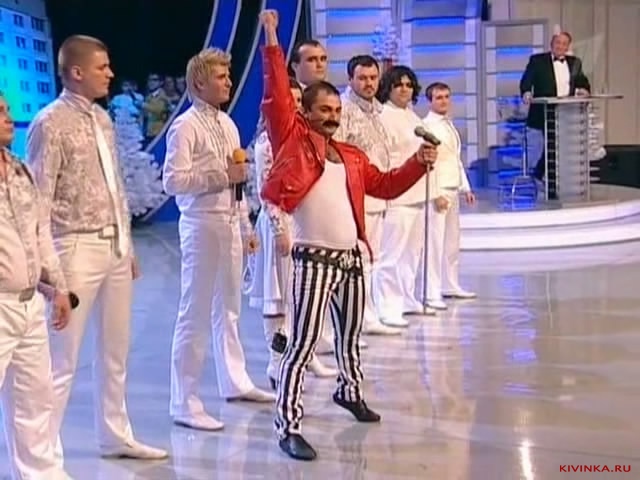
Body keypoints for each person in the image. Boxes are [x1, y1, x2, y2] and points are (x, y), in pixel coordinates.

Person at [259, 9, 437, 461]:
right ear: (305, 113)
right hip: (313, 259)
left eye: (336, 111)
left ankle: (349, 390)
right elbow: (277, 94)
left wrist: (418, 163)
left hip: (351, 259)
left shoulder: (351, 155)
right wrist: (272, 37)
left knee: (350, 335)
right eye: (324, 110)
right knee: (302, 344)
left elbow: (387, 185)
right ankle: (288, 425)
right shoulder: (294, 142)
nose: (332, 117)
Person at [26, 34, 168, 462]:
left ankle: (115, 434)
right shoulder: (49, 123)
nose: (110, 73)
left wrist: (127, 244)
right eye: (102, 67)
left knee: (115, 351)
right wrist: (52, 274)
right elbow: (38, 202)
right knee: (61, 360)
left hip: (114, 248)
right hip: (73, 248)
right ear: (76, 72)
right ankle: (39, 456)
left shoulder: (103, 120)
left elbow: (115, 185)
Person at [163, 47, 274, 432]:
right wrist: (220, 176)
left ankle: (235, 381)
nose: (229, 81)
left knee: (229, 308)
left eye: (228, 75)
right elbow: (172, 181)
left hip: (229, 223)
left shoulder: (227, 124)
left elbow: (238, 181)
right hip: (200, 224)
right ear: (199, 83)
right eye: (221, 76)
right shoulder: (185, 126)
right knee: (194, 312)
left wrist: (245, 226)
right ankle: (184, 401)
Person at [245, 77, 337, 388]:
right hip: (280, 224)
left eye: (299, 102)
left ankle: (305, 354)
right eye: (290, 102)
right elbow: (267, 191)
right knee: (279, 294)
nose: (295, 107)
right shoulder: (266, 144)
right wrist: (278, 229)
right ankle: (277, 362)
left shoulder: (305, 139)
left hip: (303, 222)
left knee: (303, 293)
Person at [0, 94, 73, 480]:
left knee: (35, 400)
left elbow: (40, 232)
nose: (9, 118)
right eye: (0, 113)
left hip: (29, 306)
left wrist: (57, 287)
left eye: (7, 111)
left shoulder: (20, 170)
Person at [332, 55, 410, 333]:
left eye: (373, 78)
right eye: (362, 78)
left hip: (378, 196)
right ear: (350, 79)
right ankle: (359, 320)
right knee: (358, 260)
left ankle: (368, 315)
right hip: (356, 197)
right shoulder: (344, 110)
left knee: (370, 259)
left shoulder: (376, 110)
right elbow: (336, 152)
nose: (368, 83)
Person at [375, 65, 434, 320]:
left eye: (409, 85)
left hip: (418, 193)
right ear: (388, 87)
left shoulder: (413, 117)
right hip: (397, 193)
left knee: (412, 253)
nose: (404, 89)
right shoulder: (383, 115)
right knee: (392, 253)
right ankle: (388, 306)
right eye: (399, 85)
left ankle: (407, 298)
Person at [422, 82, 477, 309]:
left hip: (452, 187)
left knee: (451, 242)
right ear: (430, 101)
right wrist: (435, 194)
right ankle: (431, 292)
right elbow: (428, 165)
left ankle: (450, 284)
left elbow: (455, 158)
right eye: (439, 97)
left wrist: (466, 188)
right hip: (439, 190)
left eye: (446, 96)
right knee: (435, 243)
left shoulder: (449, 125)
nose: (444, 101)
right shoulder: (427, 127)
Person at [520, 31, 590, 198]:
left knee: (560, 146)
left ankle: (548, 178)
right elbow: (526, 80)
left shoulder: (575, 62)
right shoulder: (537, 61)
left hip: (567, 112)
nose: (560, 46)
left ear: (568, 46)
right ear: (552, 44)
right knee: (553, 143)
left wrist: (584, 90)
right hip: (546, 110)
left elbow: (582, 81)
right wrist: (526, 92)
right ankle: (543, 177)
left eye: (564, 44)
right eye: (558, 43)